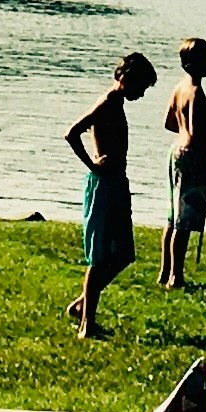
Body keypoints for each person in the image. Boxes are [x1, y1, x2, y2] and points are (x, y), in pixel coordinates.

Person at [64, 50, 155, 339]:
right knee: (101, 256)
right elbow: (73, 133)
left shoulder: (118, 103)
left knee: (124, 253)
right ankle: (87, 326)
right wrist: (92, 163)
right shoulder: (108, 102)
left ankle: (82, 305)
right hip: (104, 184)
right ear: (126, 78)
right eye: (140, 87)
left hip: (117, 181)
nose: (141, 94)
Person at [157, 38, 206, 287]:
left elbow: (169, 122)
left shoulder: (179, 88)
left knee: (173, 217)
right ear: (195, 64)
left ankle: (164, 271)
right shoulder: (196, 93)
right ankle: (176, 275)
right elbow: (196, 134)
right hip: (191, 156)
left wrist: (191, 130)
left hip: (176, 152)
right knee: (184, 222)